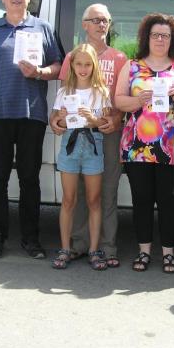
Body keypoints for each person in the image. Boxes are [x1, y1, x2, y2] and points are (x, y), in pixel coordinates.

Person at [0, 0, 62, 259]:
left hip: (31, 113)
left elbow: (58, 67)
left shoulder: (42, 27)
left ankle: (30, 238)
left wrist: (40, 72)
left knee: (29, 179)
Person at [115, 13, 174, 273]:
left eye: (165, 35)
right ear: (147, 37)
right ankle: (144, 251)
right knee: (141, 199)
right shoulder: (132, 66)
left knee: (168, 201)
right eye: (155, 35)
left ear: (173, 39)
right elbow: (118, 100)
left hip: (171, 147)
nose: (160, 39)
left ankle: (168, 254)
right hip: (137, 146)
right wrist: (138, 101)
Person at [51, 4, 128, 268]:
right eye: (95, 20)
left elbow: (121, 97)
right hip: (76, 136)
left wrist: (115, 119)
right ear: (84, 24)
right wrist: (57, 121)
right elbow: (64, 98)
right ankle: (79, 245)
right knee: (78, 194)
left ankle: (106, 247)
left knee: (107, 190)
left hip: (107, 132)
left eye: (105, 20)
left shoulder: (120, 58)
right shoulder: (72, 56)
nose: (101, 24)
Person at [49, 44, 113, 270]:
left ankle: (94, 250)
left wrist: (92, 119)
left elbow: (106, 123)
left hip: (93, 145)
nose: (83, 69)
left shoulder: (101, 92)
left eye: (87, 64)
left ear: (94, 66)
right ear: (72, 65)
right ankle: (65, 248)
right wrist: (61, 119)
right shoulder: (64, 92)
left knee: (94, 200)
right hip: (70, 145)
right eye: (79, 64)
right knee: (68, 199)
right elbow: (56, 123)